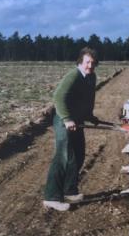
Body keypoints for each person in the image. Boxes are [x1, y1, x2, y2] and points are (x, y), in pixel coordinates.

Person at [43, 47, 99, 211]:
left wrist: (90, 115)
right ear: (81, 61)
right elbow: (58, 97)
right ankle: (51, 197)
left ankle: (69, 191)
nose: (90, 66)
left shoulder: (91, 77)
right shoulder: (73, 75)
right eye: (87, 62)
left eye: (93, 63)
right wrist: (67, 119)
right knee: (64, 157)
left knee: (79, 155)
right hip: (64, 121)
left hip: (77, 121)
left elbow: (89, 99)